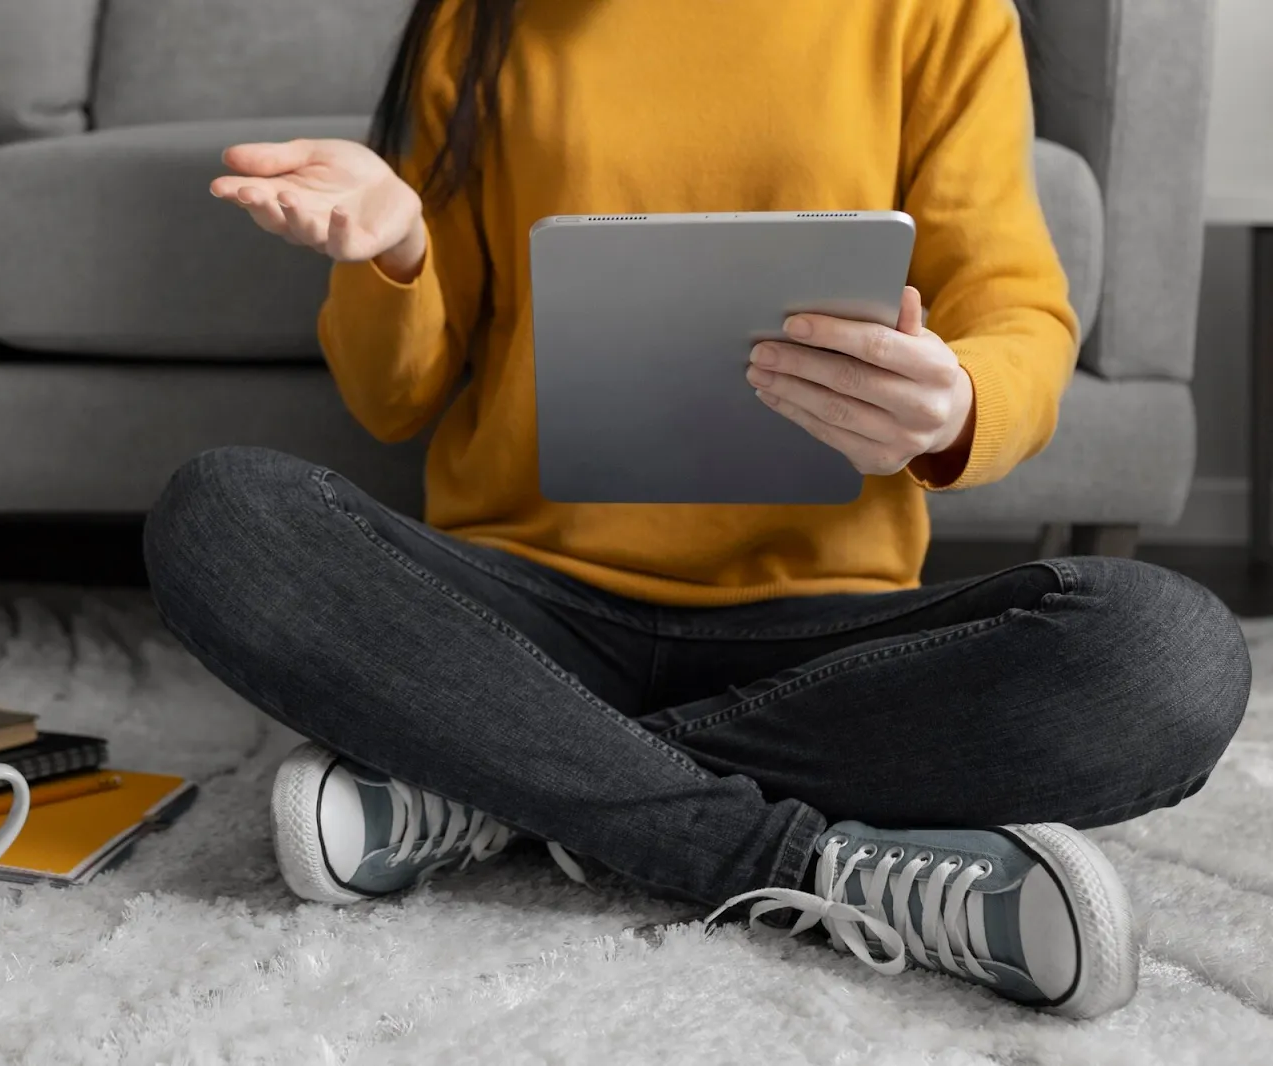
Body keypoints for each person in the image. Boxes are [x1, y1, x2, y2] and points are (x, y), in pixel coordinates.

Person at [142, 0, 1250, 1021]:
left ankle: (499, 788)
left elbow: (1013, 305)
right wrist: (394, 250)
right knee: (222, 514)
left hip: (819, 647)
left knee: (1170, 657)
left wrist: (954, 402)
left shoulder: (937, 10)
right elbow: (397, 402)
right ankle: (794, 866)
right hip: (522, 624)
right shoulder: (482, 18)